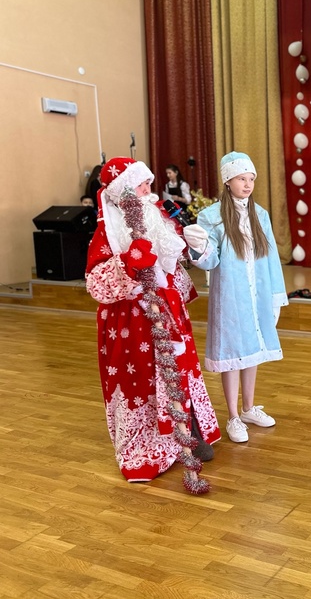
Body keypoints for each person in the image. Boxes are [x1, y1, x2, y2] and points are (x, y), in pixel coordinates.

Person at [85, 157, 220, 494]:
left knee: (180, 372)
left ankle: (190, 433)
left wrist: (194, 247)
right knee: (144, 378)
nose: (149, 188)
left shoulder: (158, 215)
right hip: (132, 320)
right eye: (141, 183)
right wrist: (128, 263)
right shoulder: (107, 231)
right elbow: (96, 283)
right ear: (124, 191)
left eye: (148, 182)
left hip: (170, 313)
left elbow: (174, 262)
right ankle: (148, 449)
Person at [183, 152, 288, 443]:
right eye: (242, 178)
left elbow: (271, 259)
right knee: (232, 353)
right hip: (231, 296)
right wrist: (199, 247)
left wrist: (275, 296)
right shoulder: (212, 216)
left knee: (252, 349)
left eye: (251, 178)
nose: (248, 184)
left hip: (257, 294)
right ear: (228, 180)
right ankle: (232, 416)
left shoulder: (260, 215)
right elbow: (210, 260)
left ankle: (248, 408)